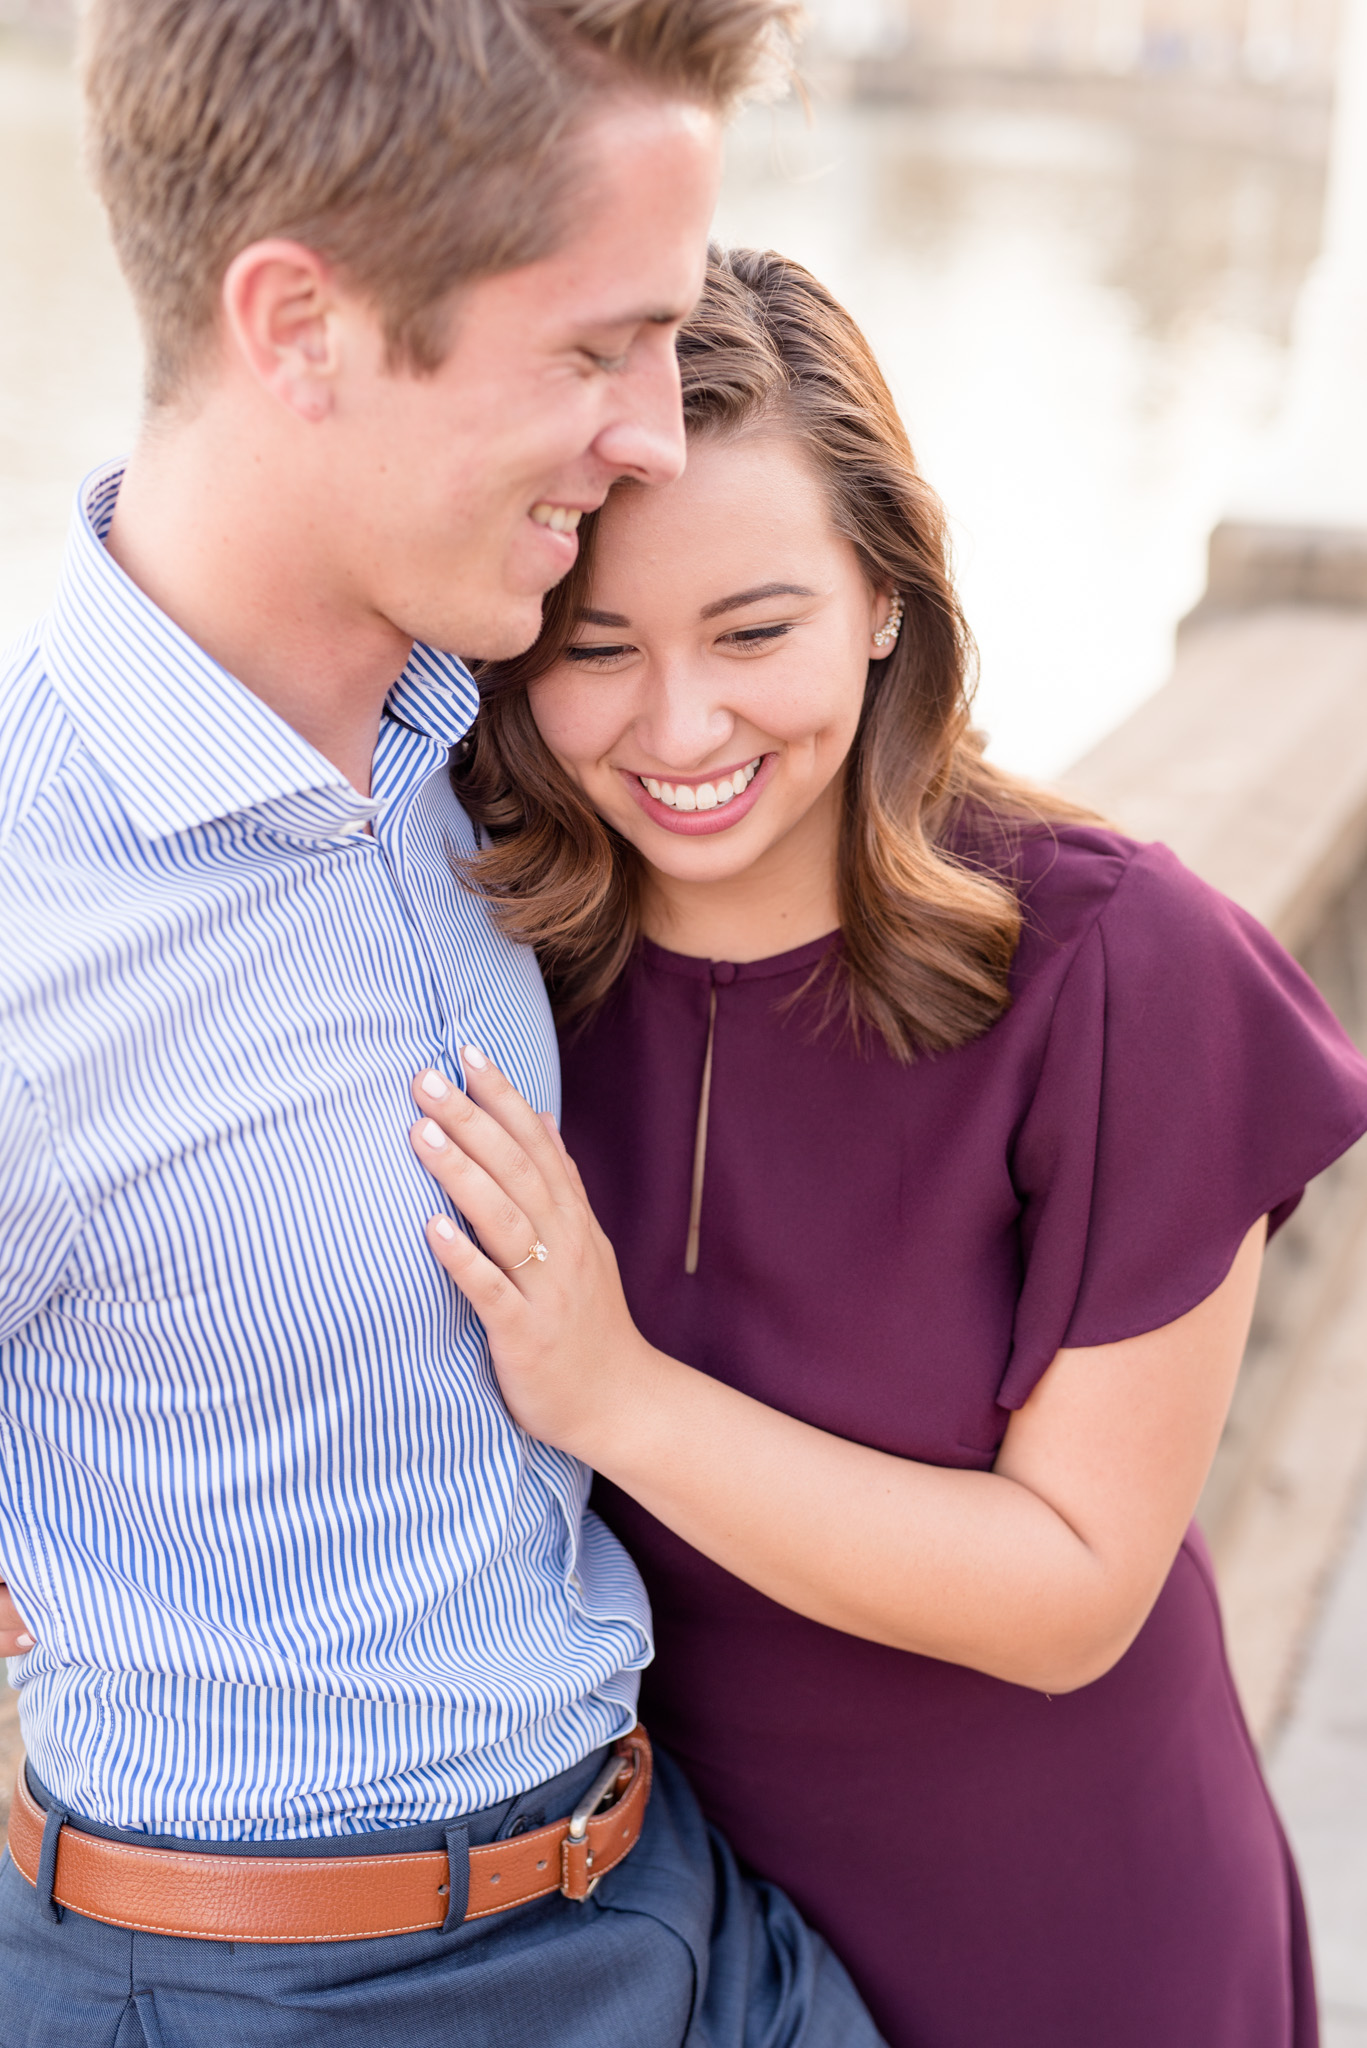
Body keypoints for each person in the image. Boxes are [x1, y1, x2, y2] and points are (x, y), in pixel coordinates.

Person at [0, 12, 888, 2044]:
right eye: (593, 350)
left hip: (675, 1907)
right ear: (301, 323)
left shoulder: (485, 729)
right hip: (272, 1989)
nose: (655, 432)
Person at [407, 246, 1367, 2048]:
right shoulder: (480, 966)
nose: (679, 726)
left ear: (884, 600)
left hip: (1072, 1945)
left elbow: (1076, 1586)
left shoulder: (1116, 969)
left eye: (755, 630)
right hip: (656, 1951)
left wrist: (613, 1393)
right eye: (595, 649)